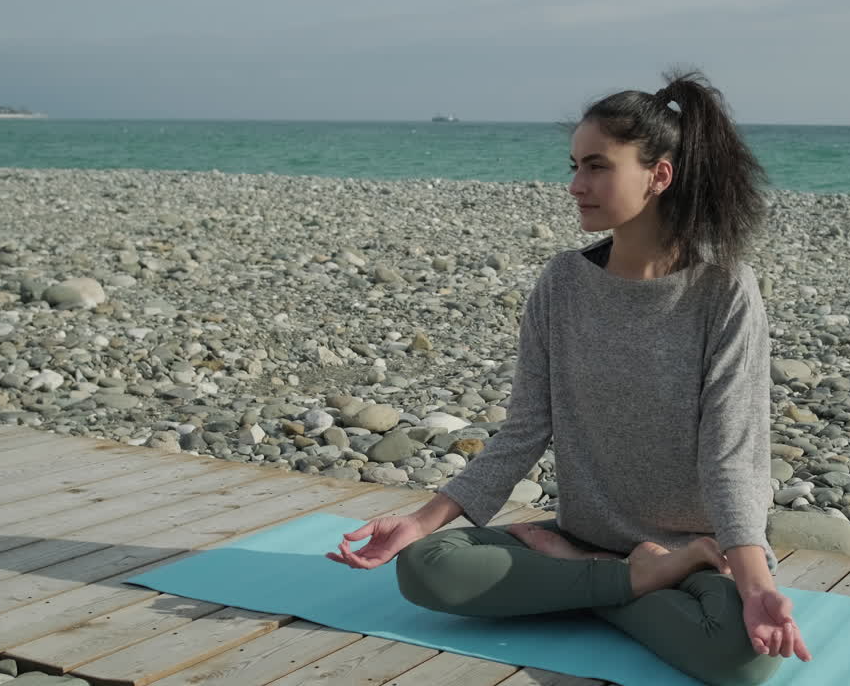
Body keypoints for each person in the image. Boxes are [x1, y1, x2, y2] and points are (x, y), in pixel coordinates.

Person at [326, 68, 812, 685]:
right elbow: (524, 430)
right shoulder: (563, 283)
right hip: (583, 536)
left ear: (659, 176)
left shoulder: (724, 292)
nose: (576, 185)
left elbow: (731, 458)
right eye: (575, 166)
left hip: (700, 553)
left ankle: (586, 582)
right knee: (426, 565)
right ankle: (623, 578)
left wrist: (755, 584)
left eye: (597, 166)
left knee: (742, 659)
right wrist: (419, 523)